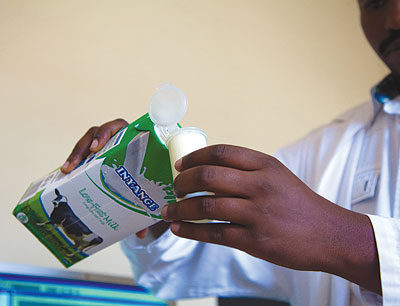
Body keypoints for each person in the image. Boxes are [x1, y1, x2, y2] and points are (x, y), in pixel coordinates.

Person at [61, 1, 400, 305]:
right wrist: (150, 195)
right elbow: (179, 268)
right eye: (375, 2)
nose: (394, 19)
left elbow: (319, 233)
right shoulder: (326, 149)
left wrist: (340, 238)